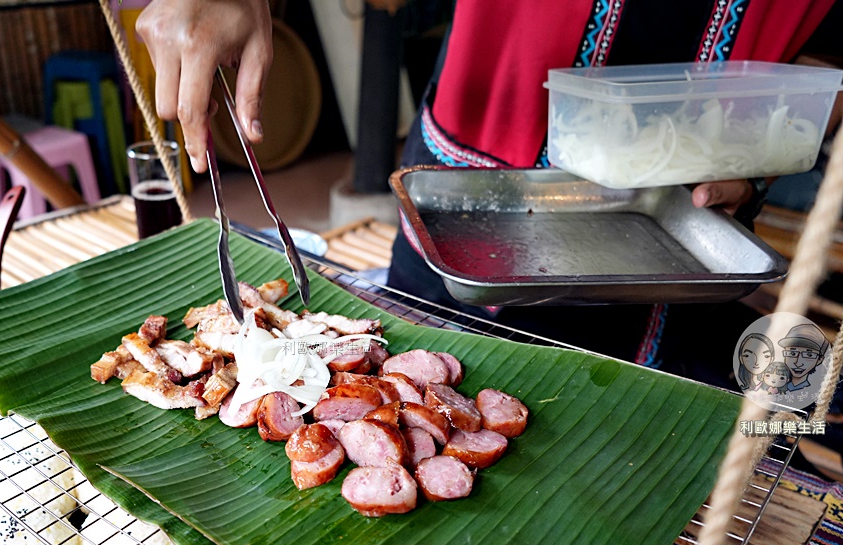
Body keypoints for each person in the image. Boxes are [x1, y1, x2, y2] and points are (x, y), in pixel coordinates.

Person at [136, 0, 841, 385]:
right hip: (465, 206)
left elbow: (829, 60)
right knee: (408, 384)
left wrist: (763, 138)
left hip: (677, 239)